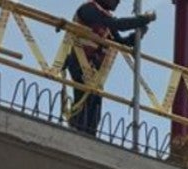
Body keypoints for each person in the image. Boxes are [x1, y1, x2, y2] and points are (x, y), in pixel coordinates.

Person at [63, 0, 156, 137]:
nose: (119, 2)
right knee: (84, 102)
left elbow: (121, 42)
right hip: (80, 62)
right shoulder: (89, 9)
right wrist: (143, 19)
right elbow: (118, 24)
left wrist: (138, 34)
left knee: (94, 105)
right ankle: (77, 133)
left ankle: (88, 136)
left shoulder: (105, 19)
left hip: (94, 70)